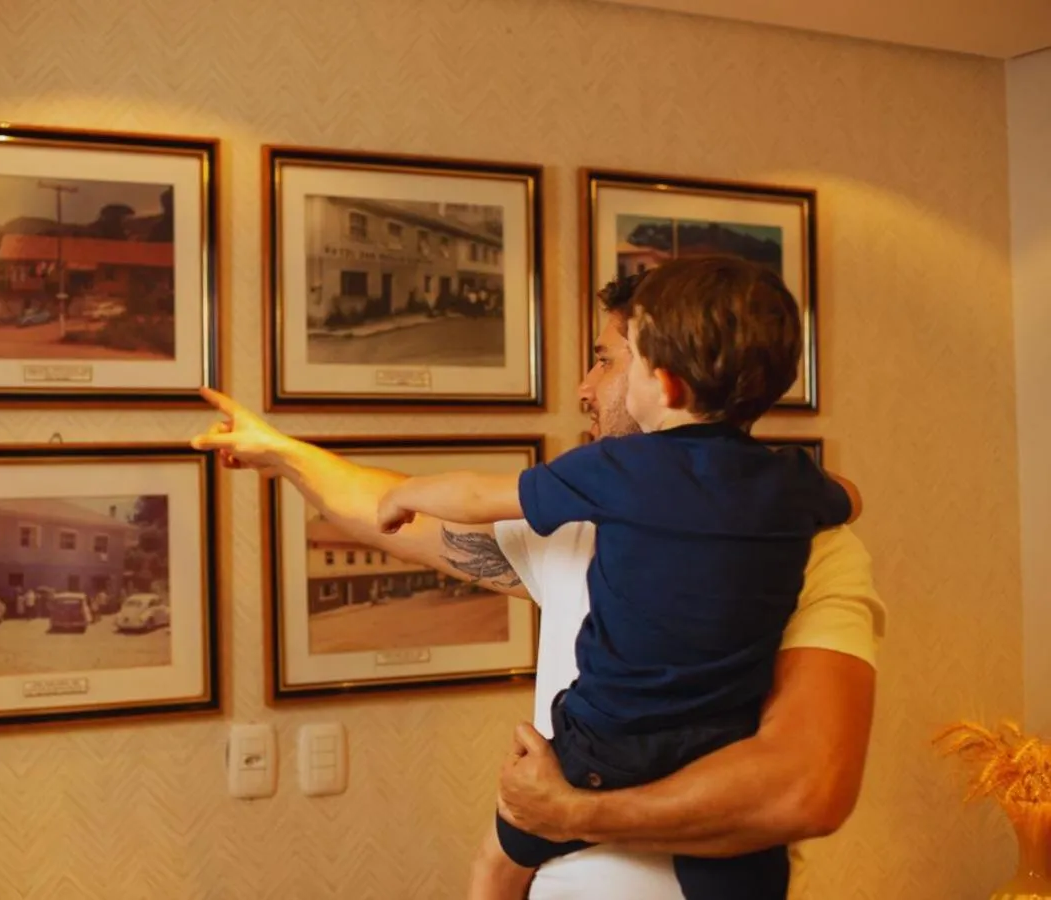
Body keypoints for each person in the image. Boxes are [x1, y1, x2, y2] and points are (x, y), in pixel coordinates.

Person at [190, 275, 884, 900]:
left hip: (598, 796)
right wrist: (278, 451)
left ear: (664, 379)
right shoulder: (756, 502)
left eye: (609, 359)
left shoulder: (818, 554)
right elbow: (397, 520)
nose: (583, 386)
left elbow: (809, 791)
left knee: (498, 857)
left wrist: (570, 813)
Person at [372, 257, 860, 899]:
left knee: (497, 859)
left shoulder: (621, 468)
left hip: (606, 741)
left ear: (664, 381)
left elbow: (480, 496)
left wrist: (406, 493)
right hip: (723, 747)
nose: (596, 381)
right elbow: (847, 498)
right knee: (745, 872)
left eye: (622, 359)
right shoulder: (794, 484)